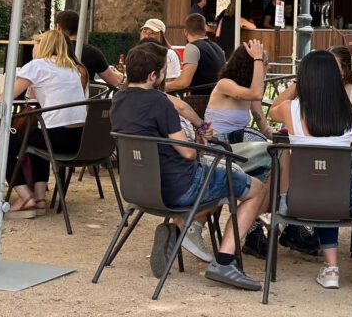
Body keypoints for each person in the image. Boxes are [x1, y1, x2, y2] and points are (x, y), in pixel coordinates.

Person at [110, 44, 265, 290]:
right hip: (180, 189)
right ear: (154, 76)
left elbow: (178, 107)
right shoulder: (160, 103)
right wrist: (199, 135)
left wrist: (199, 125)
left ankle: (178, 231)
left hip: (139, 189)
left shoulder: (118, 100)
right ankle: (224, 261)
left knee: (217, 181)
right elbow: (188, 152)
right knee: (255, 188)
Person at [269, 50, 352, 289]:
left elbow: (272, 109)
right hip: (345, 200)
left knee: (305, 173)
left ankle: (280, 209)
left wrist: (294, 87)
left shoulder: (291, 109)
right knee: (330, 185)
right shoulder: (349, 115)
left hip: (300, 198)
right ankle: (332, 269)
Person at [5, 28, 87, 218]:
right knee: (35, 136)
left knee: (3, 141)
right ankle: (40, 199)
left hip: (57, 137)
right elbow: (35, 98)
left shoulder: (37, 65)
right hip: (80, 139)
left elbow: (7, 96)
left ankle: (25, 196)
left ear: (42, 46)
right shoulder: (72, 68)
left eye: (36, 44)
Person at [204, 42, 270, 141]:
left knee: (278, 150)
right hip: (217, 145)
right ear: (252, 65)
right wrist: (257, 57)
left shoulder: (250, 93)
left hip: (237, 145)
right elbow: (257, 94)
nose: (268, 67)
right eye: (265, 63)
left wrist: (286, 138)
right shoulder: (225, 84)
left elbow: (264, 128)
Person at [54, 10, 123, 88]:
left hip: (55, 99)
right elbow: (115, 82)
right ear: (80, 27)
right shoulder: (93, 53)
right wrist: (119, 75)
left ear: (58, 28)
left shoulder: (50, 53)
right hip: (87, 99)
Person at [167, 13, 226, 94]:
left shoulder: (192, 47)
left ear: (185, 32)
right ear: (205, 31)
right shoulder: (218, 47)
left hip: (200, 100)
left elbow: (183, 83)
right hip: (219, 97)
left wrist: (160, 86)